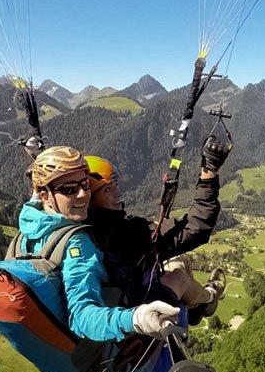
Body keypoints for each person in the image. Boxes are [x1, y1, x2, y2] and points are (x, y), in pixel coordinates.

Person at [19, 145, 180, 343]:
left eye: (85, 184)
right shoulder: (78, 244)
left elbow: (39, 195)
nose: (82, 194)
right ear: (45, 196)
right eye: (69, 189)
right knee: (179, 271)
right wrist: (135, 318)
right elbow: (81, 316)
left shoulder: (30, 222)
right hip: (107, 341)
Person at [85, 136, 230, 323]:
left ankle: (198, 304)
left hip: (113, 309)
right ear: (89, 200)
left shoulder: (75, 230)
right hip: (137, 312)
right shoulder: (128, 235)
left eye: (115, 184)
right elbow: (195, 228)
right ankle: (208, 299)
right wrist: (209, 172)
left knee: (179, 260)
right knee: (178, 273)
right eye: (106, 190)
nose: (118, 193)